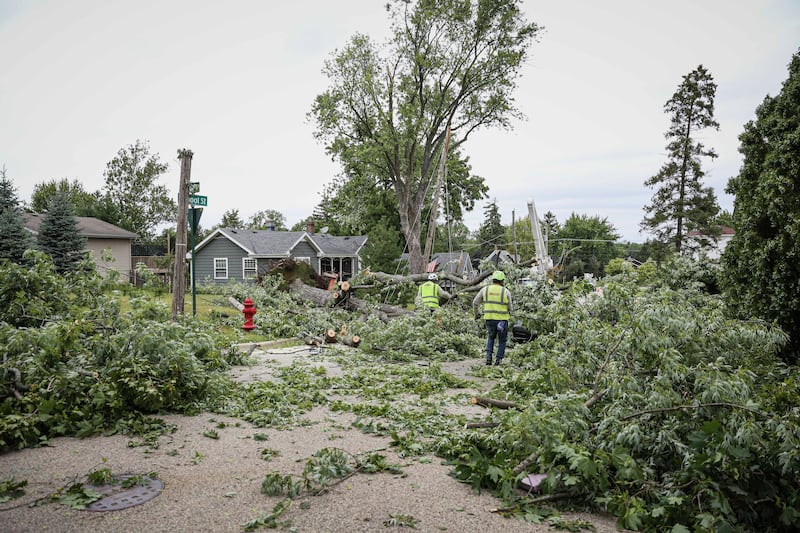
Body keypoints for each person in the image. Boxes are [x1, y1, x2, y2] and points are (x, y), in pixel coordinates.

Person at [472, 270, 513, 365]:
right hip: (502, 321)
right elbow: (511, 308)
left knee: (491, 337)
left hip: (489, 319)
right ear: (502, 281)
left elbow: (475, 302)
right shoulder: (505, 291)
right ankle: (498, 361)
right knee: (502, 340)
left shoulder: (485, 290)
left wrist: (476, 314)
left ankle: (488, 358)